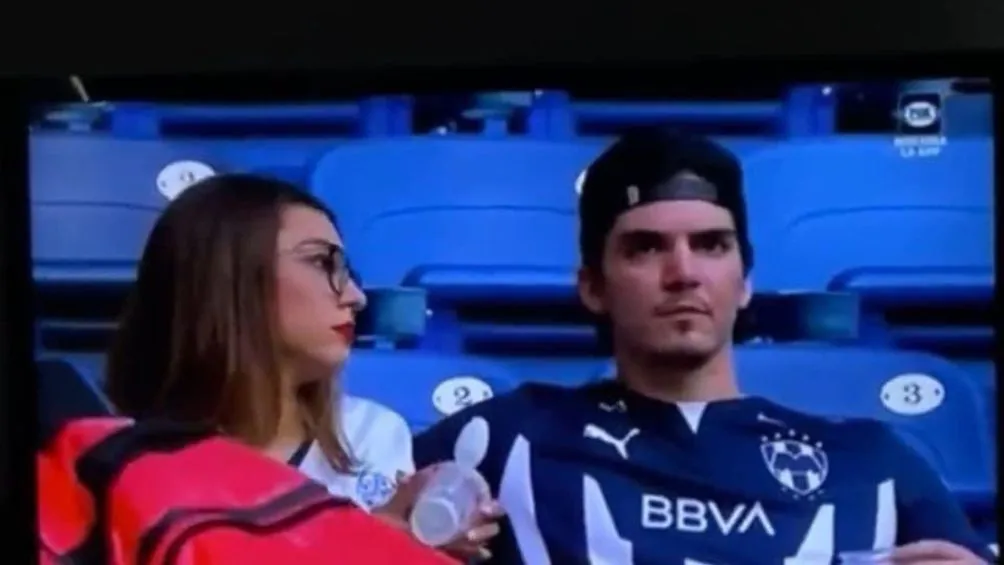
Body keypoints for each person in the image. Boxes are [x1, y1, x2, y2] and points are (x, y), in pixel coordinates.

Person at [413, 128, 993, 564]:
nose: (683, 273)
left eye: (712, 245)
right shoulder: (503, 438)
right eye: (645, 248)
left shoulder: (871, 461)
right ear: (592, 286)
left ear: (744, 283)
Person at [104, 173, 502, 561]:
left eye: (347, 272)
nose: (356, 297)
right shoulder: (120, 462)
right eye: (321, 262)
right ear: (229, 277)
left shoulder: (373, 436)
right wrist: (368, 542)